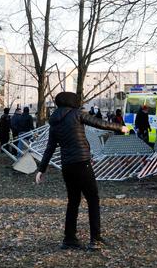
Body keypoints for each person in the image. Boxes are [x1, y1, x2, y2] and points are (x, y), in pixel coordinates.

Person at [35, 91, 129, 250]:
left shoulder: (54, 121)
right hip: (82, 163)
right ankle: (95, 239)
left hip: (67, 167)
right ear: (72, 102)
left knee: (73, 201)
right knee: (93, 199)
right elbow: (100, 123)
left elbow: (50, 148)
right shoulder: (77, 114)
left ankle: (69, 239)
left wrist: (41, 169)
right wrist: (121, 128)